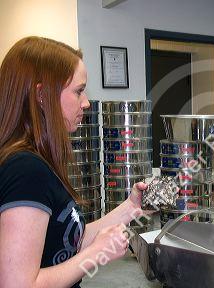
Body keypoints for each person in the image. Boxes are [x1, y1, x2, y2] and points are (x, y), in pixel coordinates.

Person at [0, 36, 147, 288]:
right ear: (42, 95)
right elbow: (17, 284)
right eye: (78, 91)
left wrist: (132, 207)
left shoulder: (37, 162)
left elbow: (69, 241)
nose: (87, 102)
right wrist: (94, 256)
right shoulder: (26, 170)